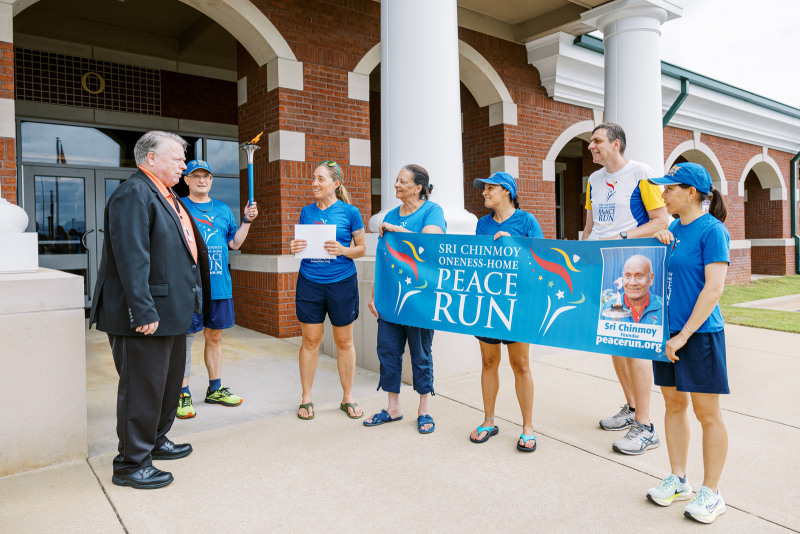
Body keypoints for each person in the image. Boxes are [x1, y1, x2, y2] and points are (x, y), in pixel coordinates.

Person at [89, 131, 210, 490]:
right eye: (177, 159)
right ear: (151, 159)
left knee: (167, 385)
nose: (184, 166)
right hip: (146, 314)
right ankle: (130, 464)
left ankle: (155, 440)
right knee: (142, 389)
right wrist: (142, 310)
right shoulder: (134, 193)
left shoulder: (168, 194)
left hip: (172, 311)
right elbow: (131, 257)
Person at [644, 162, 730, 524]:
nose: (663, 194)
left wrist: (684, 335)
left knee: (707, 414)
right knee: (673, 405)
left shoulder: (713, 231)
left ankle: (712, 492)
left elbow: (714, 288)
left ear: (690, 193)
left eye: (670, 188)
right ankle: (679, 480)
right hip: (667, 335)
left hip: (699, 334)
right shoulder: (673, 228)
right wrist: (660, 241)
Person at [582, 122, 669, 455]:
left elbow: (661, 221)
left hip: (632, 266)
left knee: (636, 346)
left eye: (597, 141)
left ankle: (645, 426)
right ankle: (631, 409)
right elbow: (590, 228)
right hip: (602, 268)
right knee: (614, 341)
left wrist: (621, 238)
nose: (591, 146)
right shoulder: (593, 180)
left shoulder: (641, 173)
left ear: (615, 144)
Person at [364, 164, 446, 434]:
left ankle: (424, 410)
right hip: (391, 298)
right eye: (396, 180)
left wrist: (397, 231)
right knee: (388, 352)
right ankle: (393, 408)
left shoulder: (432, 212)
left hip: (421, 298)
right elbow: (383, 259)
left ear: (418, 187)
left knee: (420, 354)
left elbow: (431, 243)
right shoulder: (390, 214)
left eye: (402, 181)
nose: (396, 185)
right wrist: (376, 294)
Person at [175, 159, 259, 419]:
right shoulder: (177, 207)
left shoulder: (222, 209)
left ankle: (215, 389)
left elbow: (234, 243)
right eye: (196, 176)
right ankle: (182, 393)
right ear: (186, 180)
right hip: (190, 287)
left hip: (219, 285)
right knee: (185, 340)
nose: (202, 180)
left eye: (206, 176)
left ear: (211, 180)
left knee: (215, 337)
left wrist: (247, 221)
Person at [467, 172, 543, 451]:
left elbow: (541, 261)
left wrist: (514, 243)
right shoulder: (482, 224)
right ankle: (489, 421)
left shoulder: (527, 221)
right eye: (483, 188)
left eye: (490, 188)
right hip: (489, 303)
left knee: (520, 364)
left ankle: (528, 427)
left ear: (507, 191)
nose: (484, 193)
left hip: (518, 303)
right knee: (488, 362)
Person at [289, 161, 366, 420]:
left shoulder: (350, 212)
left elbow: (362, 249)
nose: (314, 183)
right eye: (313, 178)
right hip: (310, 282)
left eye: (321, 179)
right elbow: (303, 246)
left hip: (341, 283)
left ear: (336, 183)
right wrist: (295, 248)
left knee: (344, 342)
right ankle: (306, 398)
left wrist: (343, 250)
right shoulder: (306, 212)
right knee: (310, 341)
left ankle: (348, 398)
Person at [600, 254, 663, 326]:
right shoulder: (607, 309)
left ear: (651, 278)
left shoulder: (663, 308)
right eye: (628, 275)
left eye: (639, 275)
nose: (632, 283)